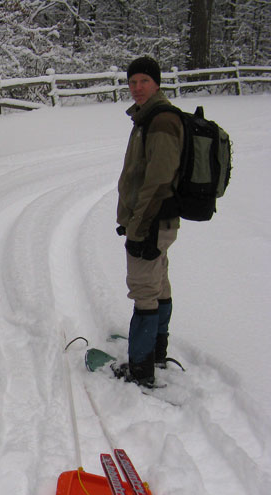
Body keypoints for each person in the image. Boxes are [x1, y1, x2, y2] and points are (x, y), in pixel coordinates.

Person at [113, 56, 184, 387]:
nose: (136, 88)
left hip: (152, 222)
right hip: (156, 221)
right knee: (158, 283)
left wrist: (138, 227)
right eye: (132, 81)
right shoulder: (148, 118)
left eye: (143, 81)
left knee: (144, 289)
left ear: (157, 83)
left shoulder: (161, 121)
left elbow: (158, 181)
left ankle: (141, 368)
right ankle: (155, 352)